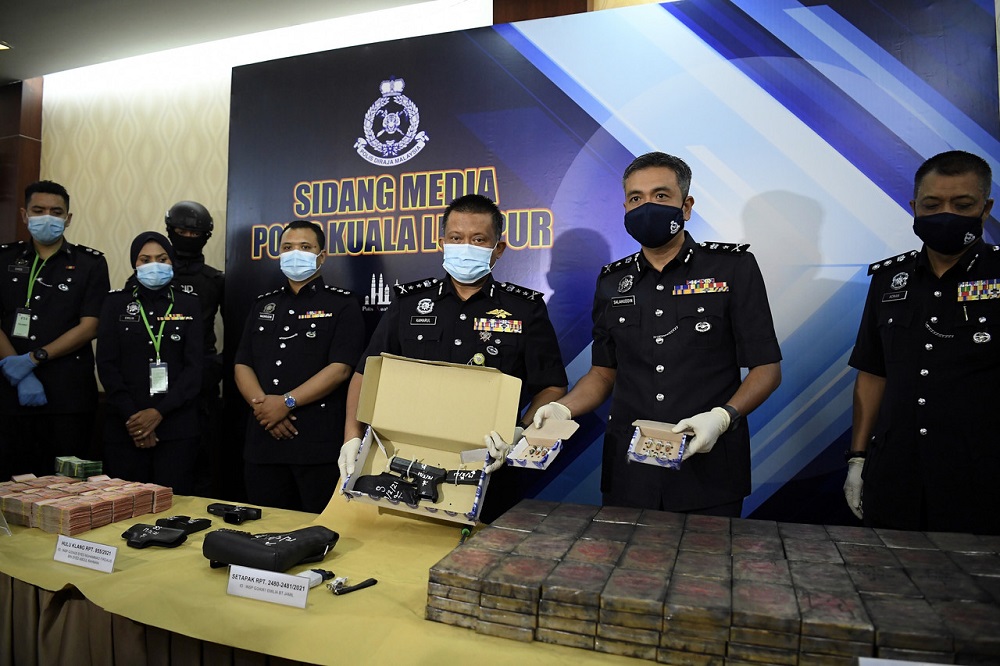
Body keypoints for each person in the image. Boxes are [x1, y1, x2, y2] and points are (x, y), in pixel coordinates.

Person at [533, 152, 782, 516]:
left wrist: (723, 417)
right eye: (636, 198)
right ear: (625, 207)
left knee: (704, 573)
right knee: (627, 574)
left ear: (686, 205)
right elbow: (603, 372)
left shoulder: (732, 268)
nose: (647, 206)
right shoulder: (612, 281)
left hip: (708, 470)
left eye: (661, 195)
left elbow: (766, 369)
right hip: (629, 475)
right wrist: (560, 409)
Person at [339, 194, 568, 523]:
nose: (466, 247)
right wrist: (351, 437)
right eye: (456, 238)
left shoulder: (525, 308)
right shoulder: (409, 303)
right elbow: (366, 373)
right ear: (442, 243)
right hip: (406, 459)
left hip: (489, 465)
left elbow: (552, 386)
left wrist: (517, 431)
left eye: (478, 239)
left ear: (497, 249)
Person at [846, 150, 1000, 534]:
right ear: (915, 206)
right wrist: (858, 460)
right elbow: (872, 373)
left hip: (982, 476)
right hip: (896, 474)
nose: (945, 213)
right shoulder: (889, 280)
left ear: (985, 208)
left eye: (962, 204)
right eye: (932, 204)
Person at [234, 220, 364, 512]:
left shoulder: (342, 304)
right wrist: (264, 407)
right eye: (287, 247)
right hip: (263, 439)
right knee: (263, 530)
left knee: (316, 530)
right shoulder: (263, 304)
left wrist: (286, 402)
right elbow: (242, 363)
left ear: (322, 255)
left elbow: (341, 368)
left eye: (305, 247)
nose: (295, 253)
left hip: (315, 444)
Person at [0, 180, 110, 479]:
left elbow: (91, 326)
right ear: (25, 214)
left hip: (68, 397)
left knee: (67, 487)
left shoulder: (91, 263)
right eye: (39, 210)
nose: (47, 216)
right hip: (10, 393)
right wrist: (15, 366)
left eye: (55, 211)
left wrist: (33, 359)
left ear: (68, 218)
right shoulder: (4, 258)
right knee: (12, 485)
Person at [96, 232, 203, 492]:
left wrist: (158, 413)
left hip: (177, 426)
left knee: (176, 505)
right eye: (145, 259)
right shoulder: (114, 304)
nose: (154, 265)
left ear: (172, 262)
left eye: (162, 258)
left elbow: (195, 368)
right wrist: (136, 421)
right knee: (126, 508)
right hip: (126, 425)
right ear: (135, 264)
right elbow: (107, 365)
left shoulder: (189, 304)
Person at [165, 200, 225, 495]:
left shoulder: (215, 280)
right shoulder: (154, 275)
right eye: (181, 231)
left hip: (202, 386)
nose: (188, 237)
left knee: (202, 465)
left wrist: (215, 369)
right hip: (160, 382)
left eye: (195, 233)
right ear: (169, 230)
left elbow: (237, 333)